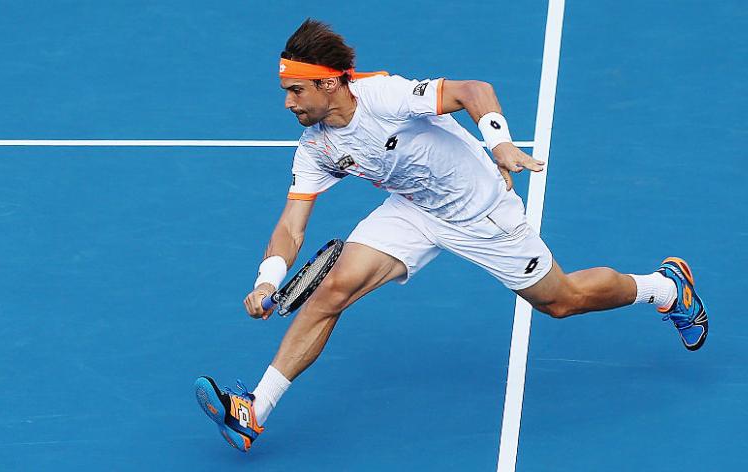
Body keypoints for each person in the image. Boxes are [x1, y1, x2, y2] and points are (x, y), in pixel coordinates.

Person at [194, 19, 708, 453]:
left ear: (330, 84)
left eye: (295, 90)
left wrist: (501, 146)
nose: (287, 103)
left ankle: (665, 289)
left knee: (562, 301)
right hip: (413, 211)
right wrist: (268, 279)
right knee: (331, 291)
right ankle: (252, 413)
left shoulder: (385, 95)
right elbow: (291, 225)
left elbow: (472, 91)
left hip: (482, 212)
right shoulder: (316, 148)